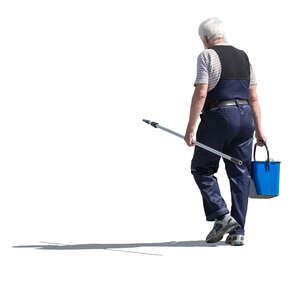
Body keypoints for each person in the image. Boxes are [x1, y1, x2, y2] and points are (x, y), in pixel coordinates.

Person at [184, 17, 266, 246]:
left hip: (219, 117)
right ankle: (238, 232)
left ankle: (221, 216)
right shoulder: (244, 56)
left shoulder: (207, 55)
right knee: (241, 174)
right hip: (245, 119)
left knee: (202, 168)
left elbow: (201, 92)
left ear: (205, 38)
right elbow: (254, 97)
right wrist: (259, 130)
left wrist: (190, 128)